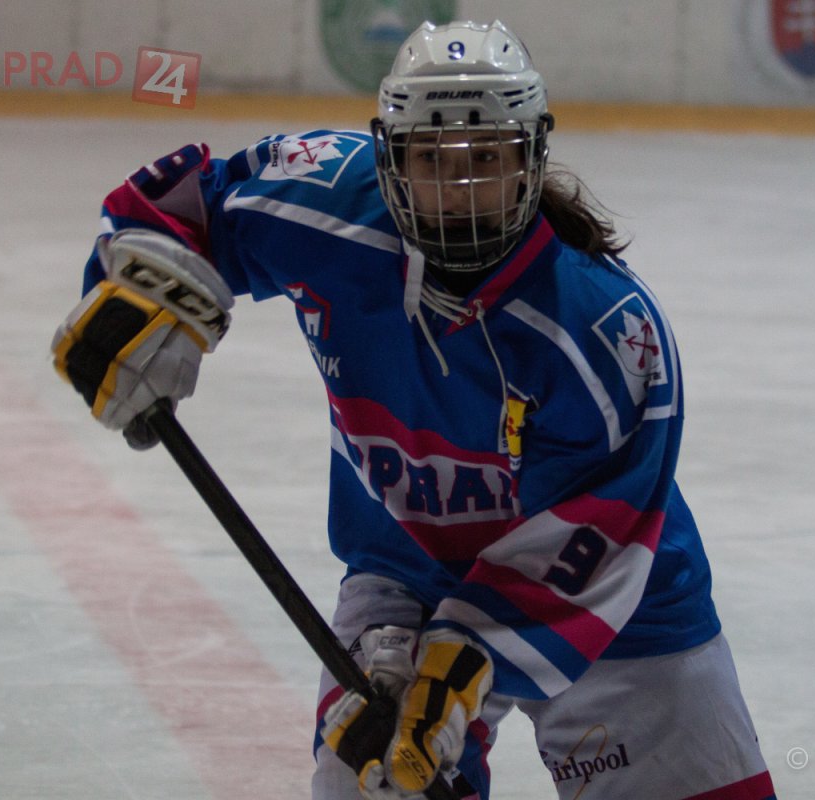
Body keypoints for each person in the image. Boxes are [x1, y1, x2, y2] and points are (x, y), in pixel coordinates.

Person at [51, 19, 776, 800]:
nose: (459, 190)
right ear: (390, 157)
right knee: (373, 781)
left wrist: (467, 657)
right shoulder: (328, 203)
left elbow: (607, 527)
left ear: (531, 156)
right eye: (433, 160)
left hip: (609, 601)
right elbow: (180, 205)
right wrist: (143, 288)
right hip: (403, 576)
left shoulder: (601, 326)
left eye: (485, 158)